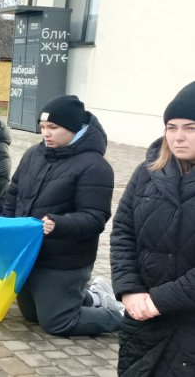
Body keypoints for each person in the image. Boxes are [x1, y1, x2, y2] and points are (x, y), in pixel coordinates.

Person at [3, 95, 122, 337]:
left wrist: (59, 224)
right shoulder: (33, 154)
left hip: (64, 259)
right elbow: (13, 193)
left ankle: (126, 317)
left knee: (57, 322)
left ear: (73, 127)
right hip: (30, 253)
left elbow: (95, 218)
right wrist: (6, 226)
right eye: (43, 127)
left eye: (53, 127)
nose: (46, 133)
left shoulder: (95, 166)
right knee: (31, 315)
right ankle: (93, 297)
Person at [111, 82, 195, 376]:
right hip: (144, 317)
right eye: (171, 127)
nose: (178, 137)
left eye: (190, 128)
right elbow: (123, 232)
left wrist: (160, 300)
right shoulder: (147, 173)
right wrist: (129, 289)